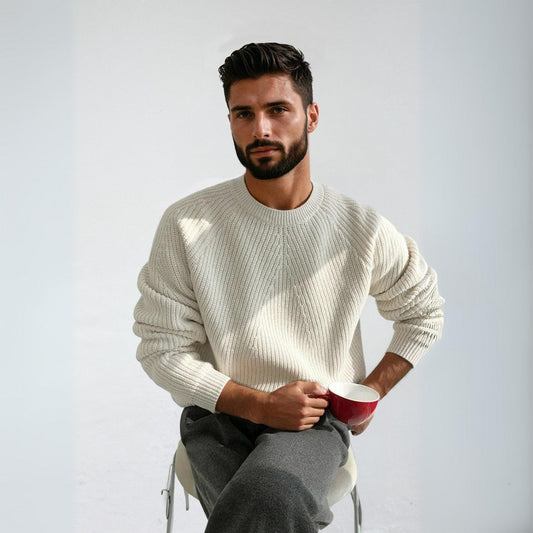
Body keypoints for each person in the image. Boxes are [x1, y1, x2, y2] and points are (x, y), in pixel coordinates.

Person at [133, 42, 444, 532]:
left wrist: (371, 390)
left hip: (314, 422)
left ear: (311, 116)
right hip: (216, 417)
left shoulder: (359, 229)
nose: (260, 129)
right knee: (267, 505)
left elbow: (423, 312)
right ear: (230, 121)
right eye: (244, 114)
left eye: (278, 109)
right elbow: (161, 350)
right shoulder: (187, 224)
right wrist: (260, 405)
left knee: (267, 494)